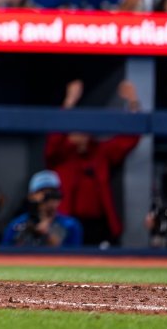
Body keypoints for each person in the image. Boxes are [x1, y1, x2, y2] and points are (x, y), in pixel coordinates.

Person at [45, 79, 141, 247]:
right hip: (67, 222)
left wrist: (133, 103)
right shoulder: (60, 155)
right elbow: (53, 141)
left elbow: (128, 140)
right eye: (76, 129)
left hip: (98, 225)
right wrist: (69, 103)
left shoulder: (100, 152)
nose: (81, 134)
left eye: (84, 130)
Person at [2, 170, 83, 247]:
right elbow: (5, 252)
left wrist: (48, 234)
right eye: (42, 192)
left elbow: (75, 253)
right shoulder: (17, 225)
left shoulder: (70, 225)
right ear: (31, 196)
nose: (48, 198)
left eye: (52, 193)